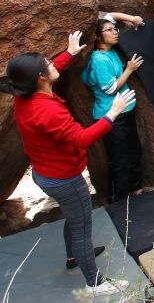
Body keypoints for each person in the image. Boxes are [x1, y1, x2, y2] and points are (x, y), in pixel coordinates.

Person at [1, 31, 135, 296]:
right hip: (64, 177)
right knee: (82, 226)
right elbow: (81, 138)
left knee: (74, 217)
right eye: (48, 64)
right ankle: (94, 283)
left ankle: (73, 256)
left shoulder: (24, 96)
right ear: (40, 78)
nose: (53, 64)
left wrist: (70, 53)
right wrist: (112, 113)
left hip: (47, 172)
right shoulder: (48, 110)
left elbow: (51, 71)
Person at [81, 13, 144, 202]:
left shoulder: (109, 52)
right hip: (112, 116)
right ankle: (119, 201)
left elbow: (109, 16)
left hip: (125, 112)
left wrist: (132, 19)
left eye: (115, 29)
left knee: (133, 151)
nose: (115, 32)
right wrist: (130, 70)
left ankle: (136, 190)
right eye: (109, 30)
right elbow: (110, 89)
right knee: (120, 159)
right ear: (98, 37)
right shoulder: (99, 59)